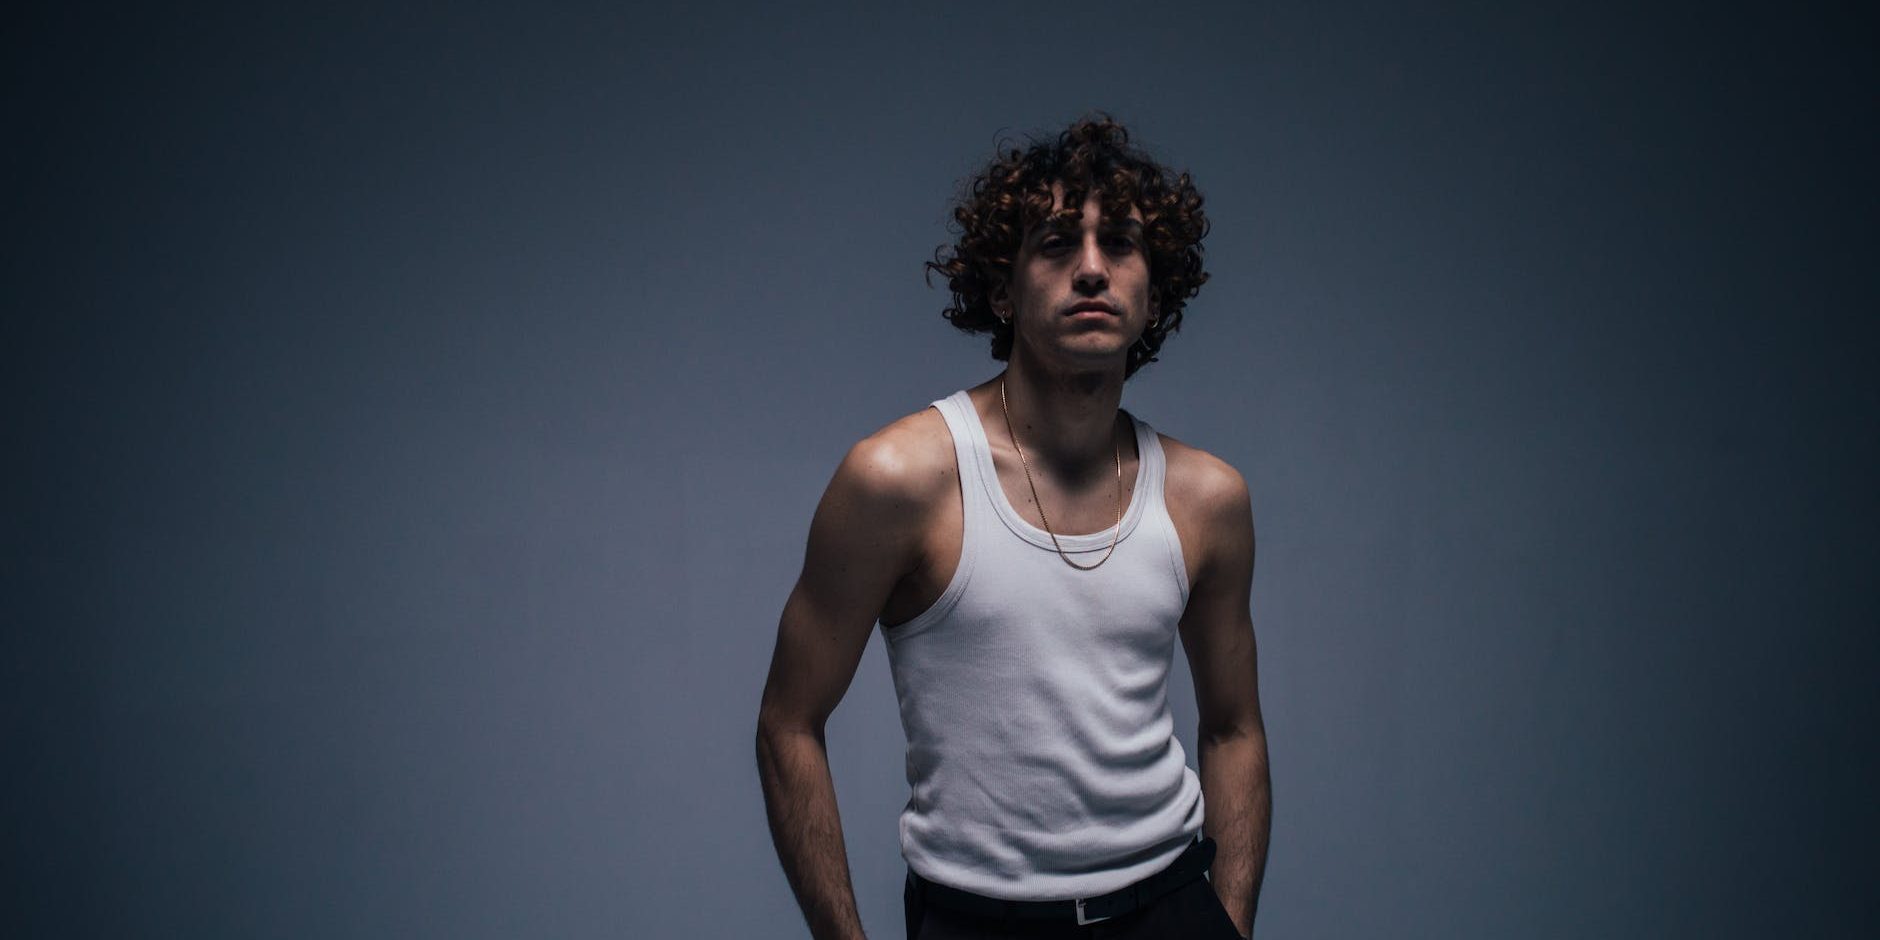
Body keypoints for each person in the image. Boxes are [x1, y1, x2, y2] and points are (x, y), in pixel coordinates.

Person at [756, 114, 1270, 939]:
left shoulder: (1207, 497)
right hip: (977, 920)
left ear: (1155, 289)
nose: (1093, 270)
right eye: (1059, 243)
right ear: (1002, 287)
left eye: (1122, 245)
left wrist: (1230, 920)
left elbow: (1236, 727)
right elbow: (788, 723)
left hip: (1170, 903)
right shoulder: (901, 480)